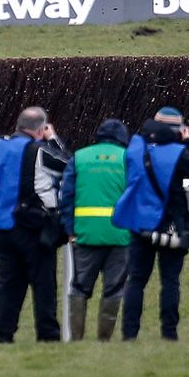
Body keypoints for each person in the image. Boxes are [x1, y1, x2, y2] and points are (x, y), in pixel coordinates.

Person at [113, 107, 189, 341]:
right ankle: (169, 332)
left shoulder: (135, 148)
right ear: (178, 130)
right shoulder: (178, 153)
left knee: (136, 281)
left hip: (140, 222)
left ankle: (129, 333)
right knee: (170, 281)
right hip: (171, 223)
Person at [0, 107, 70, 344]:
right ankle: (47, 334)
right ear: (41, 129)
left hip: (1, 226)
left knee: (8, 283)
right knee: (43, 284)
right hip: (34, 227)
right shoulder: (41, 151)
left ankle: (1, 334)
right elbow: (68, 166)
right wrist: (53, 139)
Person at [59, 119, 130, 341]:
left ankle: (76, 338)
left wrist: (69, 229)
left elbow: (66, 197)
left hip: (85, 233)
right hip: (120, 234)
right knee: (114, 289)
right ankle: (104, 339)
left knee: (79, 287)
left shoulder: (79, 157)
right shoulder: (128, 158)